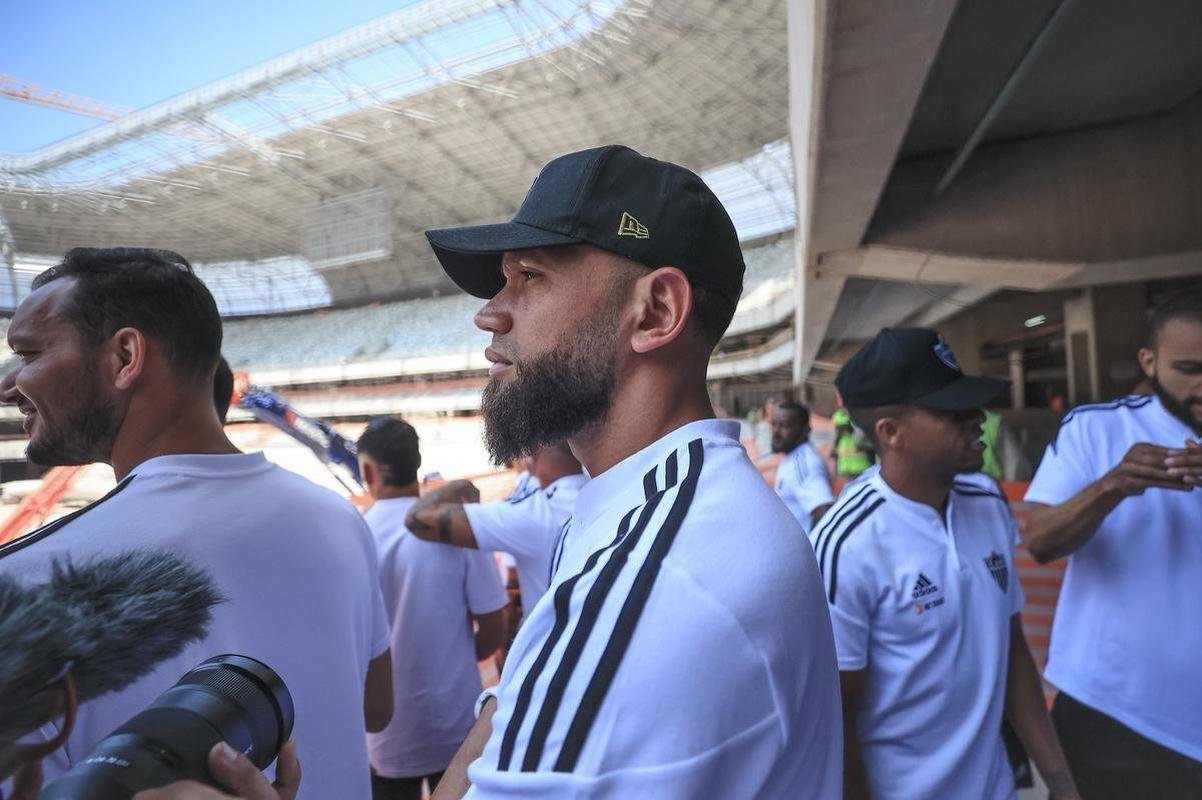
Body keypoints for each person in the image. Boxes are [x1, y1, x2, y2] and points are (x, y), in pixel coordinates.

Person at [422, 144, 841, 798]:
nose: (491, 312)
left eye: (529, 275)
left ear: (656, 312)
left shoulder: (661, 576)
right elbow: (521, 700)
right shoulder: (653, 508)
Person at [0, 248, 391, 800]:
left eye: (29, 353)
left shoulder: (28, 583)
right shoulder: (337, 515)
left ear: (126, 356)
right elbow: (377, 708)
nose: (9, 385)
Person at [814, 327, 1078, 800]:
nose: (977, 418)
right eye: (952, 410)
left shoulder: (988, 501)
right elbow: (836, 717)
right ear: (890, 432)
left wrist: (1059, 779)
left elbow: (1011, 647)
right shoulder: (847, 544)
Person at [1022, 288, 1202, 798]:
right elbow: (1040, 540)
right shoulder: (1097, 429)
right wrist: (1111, 485)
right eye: (1188, 368)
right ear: (1149, 361)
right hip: (1115, 714)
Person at [356, 417, 509, 800]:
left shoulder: (356, 534)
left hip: (388, 732)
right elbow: (494, 624)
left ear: (367, 471)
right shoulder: (452, 529)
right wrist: (458, 656)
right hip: (456, 719)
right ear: (417, 462)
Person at [404, 441, 586, 614]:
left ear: (534, 451)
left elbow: (417, 518)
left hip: (553, 641)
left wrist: (461, 485)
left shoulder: (534, 513)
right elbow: (525, 470)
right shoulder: (598, 489)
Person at [770, 400, 834, 532]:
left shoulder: (803, 464)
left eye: (784, 426)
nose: (776, 432)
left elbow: (824, 511)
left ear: (805, 430)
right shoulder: (793, 457)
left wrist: (812, 549)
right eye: (774, 425)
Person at [832, 408, 872, 480]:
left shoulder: (857, 436)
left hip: (860, 469)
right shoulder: (841, 440)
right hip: (847, 470)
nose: (842, 429)